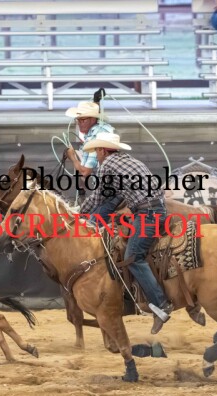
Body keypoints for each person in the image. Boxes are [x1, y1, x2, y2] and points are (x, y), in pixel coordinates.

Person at [79, 132, 173, 333]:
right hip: (155, 209)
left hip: (147, 214)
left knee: (133, 257)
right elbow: (112, 197)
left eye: (96, 151)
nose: (97, 156)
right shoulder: (129, 161)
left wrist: (78, 214)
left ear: (103, 150)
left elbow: (98, 198)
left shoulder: (107, 165)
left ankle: (161, 304)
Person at [64, 100, 115, 205]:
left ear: (92, 119)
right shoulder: (102, 129)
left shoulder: (94, 136)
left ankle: (81, 197)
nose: (79, 123)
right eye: (78, 120)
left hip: (108, 193)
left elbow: (85, 172)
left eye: (83, 120)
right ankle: (81, 194)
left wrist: (72, 157)